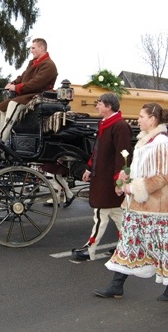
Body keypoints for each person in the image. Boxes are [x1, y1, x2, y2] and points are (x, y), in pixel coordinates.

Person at [96, 103, 168, 302]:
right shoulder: (146, 141)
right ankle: (116, 285)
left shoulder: (161, 144)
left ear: (152, 119)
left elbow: (162, 177)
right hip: (137, 205)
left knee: (158, 246)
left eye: (142, 116)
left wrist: (133, 188)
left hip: (154, 207)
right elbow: (141, 172)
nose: (138, 120)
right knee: (128, 243)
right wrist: (125, 179)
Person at [72, 93, 133, 261]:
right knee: (116, 215)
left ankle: (90, 249)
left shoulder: (120, 126)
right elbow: (98, 150)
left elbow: (123, 156)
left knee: (100, 214)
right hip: (103, 179)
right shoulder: (106, 124)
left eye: (99, 104)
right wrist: (90, 168)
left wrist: (118, 181)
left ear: (108, 106)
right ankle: (128, 246)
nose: (97, 106)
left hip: (109, 181)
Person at [0, 38, 58, 143]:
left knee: (13, 104)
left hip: (37, 95)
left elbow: (36, 84)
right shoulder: (33, 63)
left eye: (33, 48)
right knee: (0, 108)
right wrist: (13, 83)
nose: (31, 50)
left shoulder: (49, 65)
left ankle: (1, 141)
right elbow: (23, 76)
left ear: (42, 48)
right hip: (26, 95)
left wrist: (16, 88)